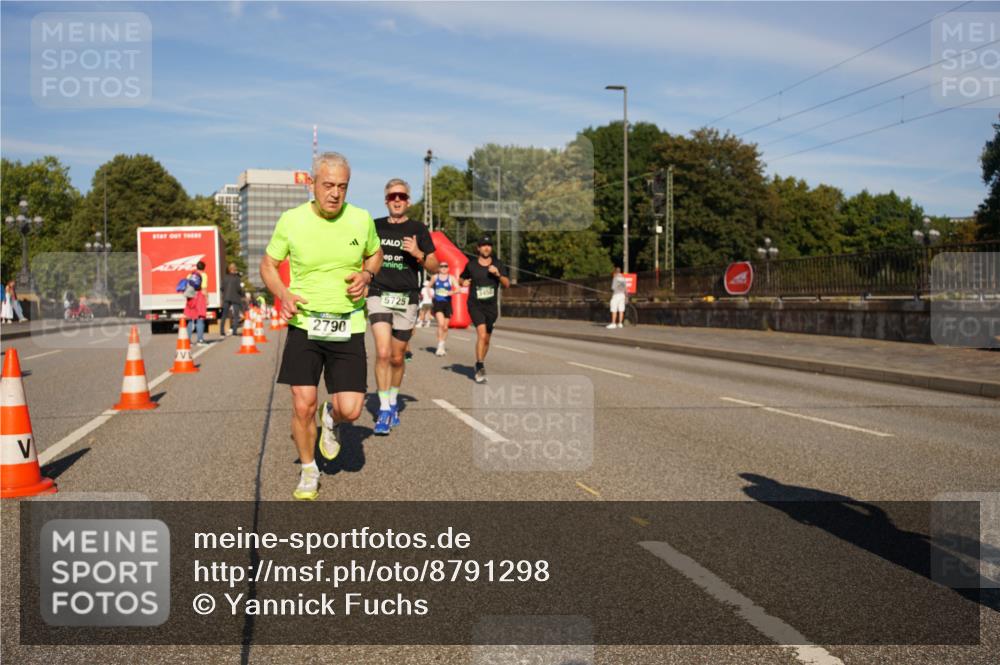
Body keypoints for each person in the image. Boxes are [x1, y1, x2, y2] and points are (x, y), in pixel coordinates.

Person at [260, 151, 382, 501]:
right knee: (302, 403)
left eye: (342, 186)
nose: (335, 193)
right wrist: (282, 293)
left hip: (348, 323)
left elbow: (374, 253)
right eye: (328, 185)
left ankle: (331, 417)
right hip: (305, 323)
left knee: (352, 409)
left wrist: (367, 273)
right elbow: (268, 264)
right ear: (312, 184)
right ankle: (308, 468)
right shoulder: (291, 220)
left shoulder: (361, 220)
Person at [366, 178, 438, 435]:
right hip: (378, 293)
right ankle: (384, 409)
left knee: (397, 357)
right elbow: (361, 255)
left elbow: (435, 265)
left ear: (408, 201)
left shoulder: (419, 228)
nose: (397, 200)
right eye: (393, 196)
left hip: (406, 298)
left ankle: (393, 401)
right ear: (386, 200)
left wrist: (418, 253)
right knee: (383, 353)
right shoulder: (374, 226)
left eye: (402, 197)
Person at [460, 236, 509, 383]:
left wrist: (498, 274)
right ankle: (480, 366)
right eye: (483, 245)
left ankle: (479, 362)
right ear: (478, 248)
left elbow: (507, 284)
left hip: (491, 307)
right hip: (475, 305)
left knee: (487, 339)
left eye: (489, 245)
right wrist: (464, 281)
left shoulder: (498, 264)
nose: (486, 248)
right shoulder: (471, 265)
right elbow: (460, 279)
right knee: (481, 335)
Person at [431, 262, 458, 356]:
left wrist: (453, 292)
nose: (443, 268)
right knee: (441, 324)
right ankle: (439, 346)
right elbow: (428, 286)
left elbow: (458, 289)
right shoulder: (435, 277)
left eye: (445, 266)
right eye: (441, 266)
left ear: (448, 268)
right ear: (439, 268)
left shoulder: (451, 278)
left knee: (445, 328)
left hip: (447, 304)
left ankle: (442, 345)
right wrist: (430, 293)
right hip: (438, 303)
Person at [184, 261, 208, 346]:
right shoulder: (203, 275)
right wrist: (207, 299)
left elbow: (186, 286)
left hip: (190, 298)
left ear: (196, 267)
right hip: (199, 297)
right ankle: (200, 340)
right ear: (204, 268)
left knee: (190, 319)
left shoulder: (190, 275)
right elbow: (204, 288)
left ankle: (188, 341)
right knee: (200, 319)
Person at [220, 263, 245, 337]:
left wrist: (224, 294)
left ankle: (222, 331)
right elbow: (239, 289)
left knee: (224, 315)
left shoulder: (225, 278)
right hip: (235, 298)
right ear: (234, 270)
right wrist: (242, 293)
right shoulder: (237, 278)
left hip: (226, 298)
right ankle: (234, 331)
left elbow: (222, 288)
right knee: (236, 315)